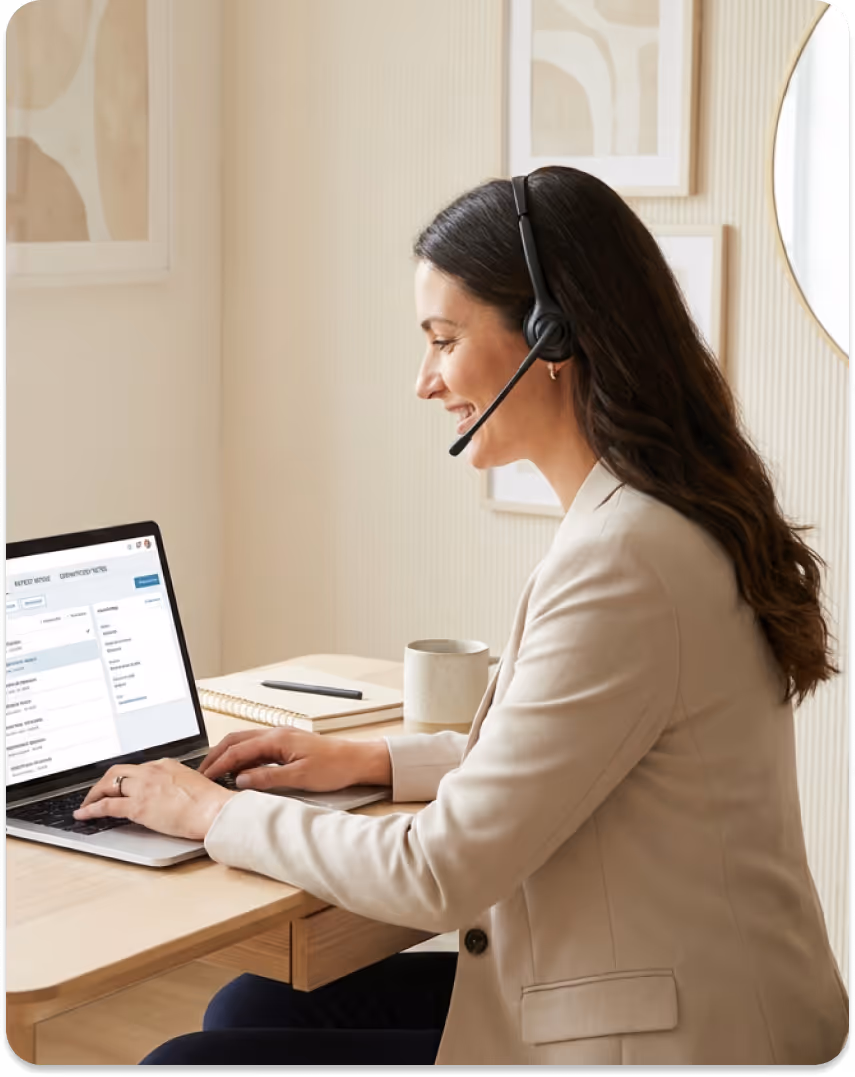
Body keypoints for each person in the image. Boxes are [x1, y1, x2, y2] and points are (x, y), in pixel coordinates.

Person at [75, 167, 848, 1067]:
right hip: (676, 984)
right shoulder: (656, 515)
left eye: (443, 340)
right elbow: (587, 745)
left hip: (681, 1034)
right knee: (251, 1006)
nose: (424, 381)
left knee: (190, 1060)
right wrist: (371, 758)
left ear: (551, 337)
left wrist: (208, 812)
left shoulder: (624, 559)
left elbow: (437, 872)